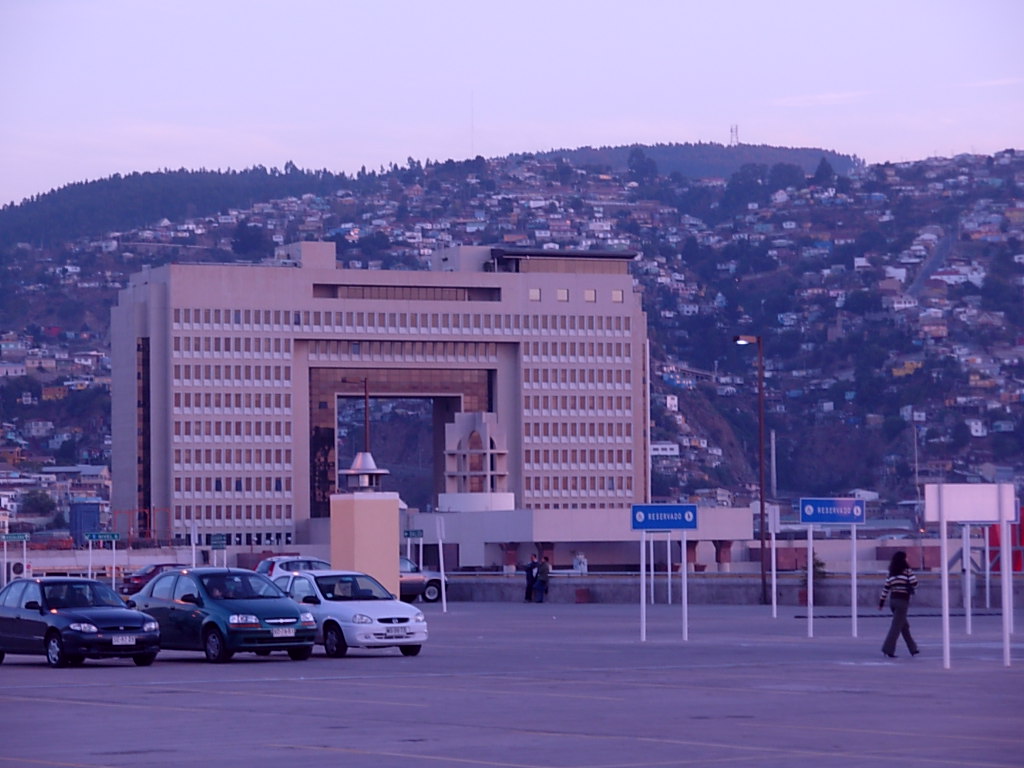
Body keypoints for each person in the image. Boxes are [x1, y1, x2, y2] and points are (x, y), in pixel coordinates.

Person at [879, 550, 920, 658]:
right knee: (896, 627)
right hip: (903, 601)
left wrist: (881, 603)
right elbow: (915, 583)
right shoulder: (907, 571)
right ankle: (888, 649)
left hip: (893, 601)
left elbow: (886, 588)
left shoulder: (891, 572)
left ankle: (913, 648)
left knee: (904, 626)